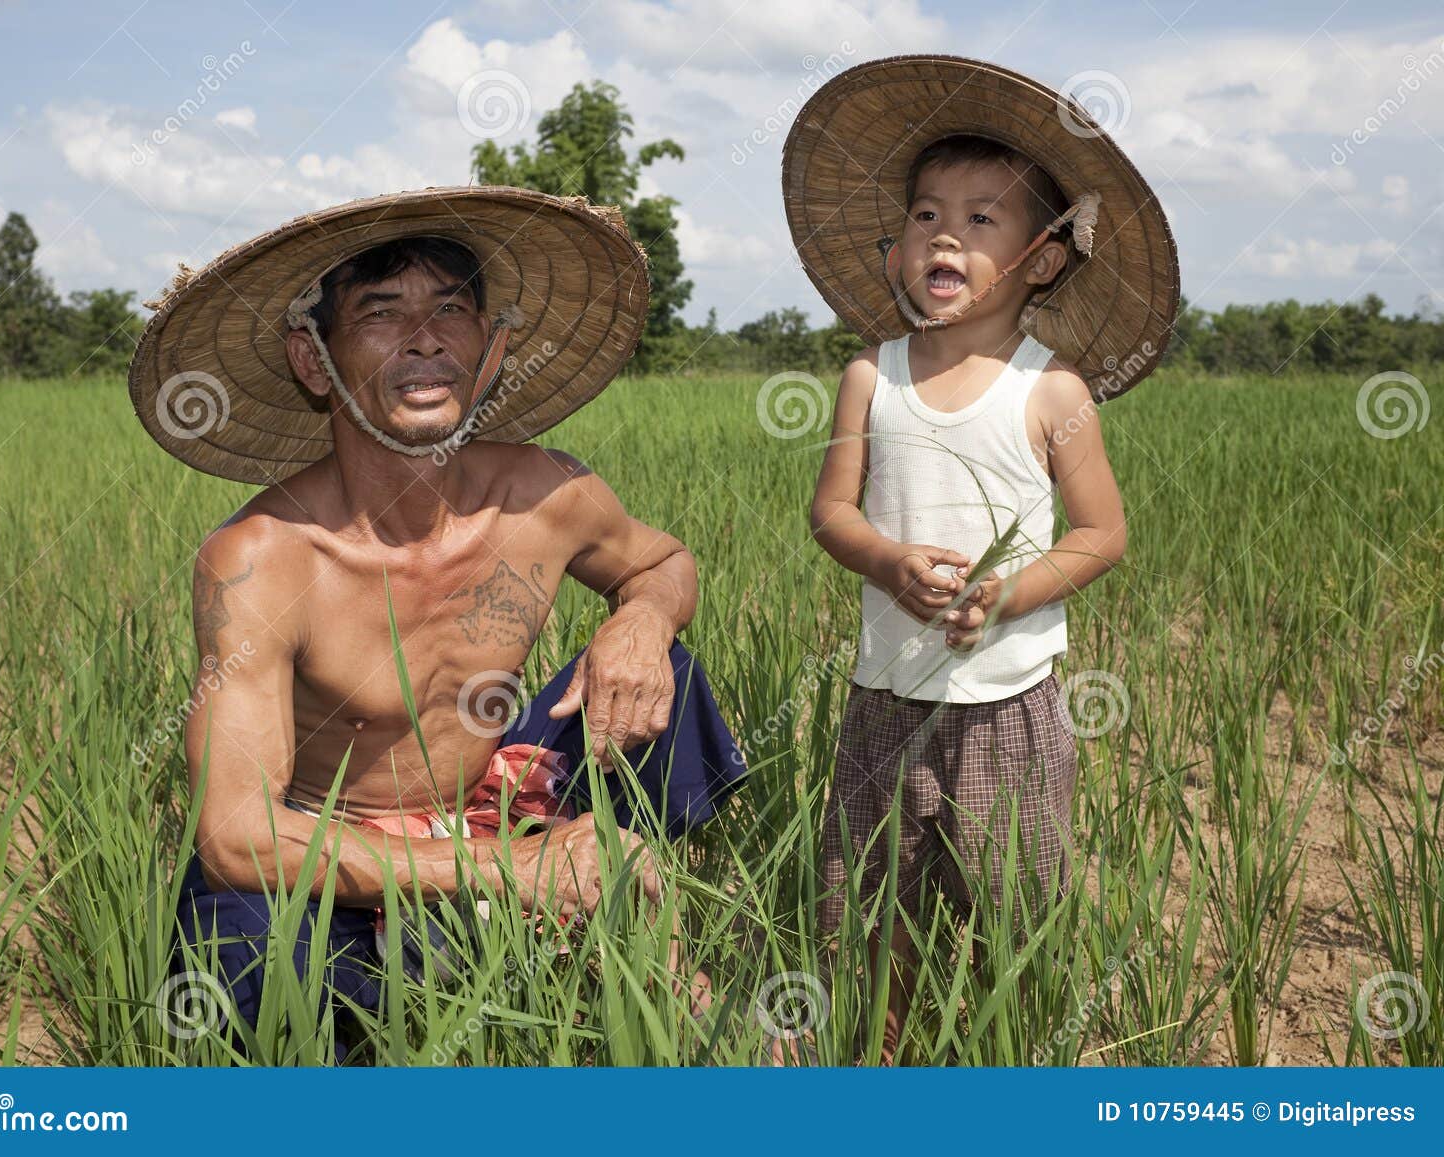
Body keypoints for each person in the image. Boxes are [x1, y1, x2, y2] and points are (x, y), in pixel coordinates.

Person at [126, 187, 745, 1056]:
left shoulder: (545, 493)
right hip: (335, 847)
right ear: (315, 360)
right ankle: (512, 926)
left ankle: (631, 899)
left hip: (495, 797)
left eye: (452, 308)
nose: (426, 337)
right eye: (382, 312)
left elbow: (660, 560)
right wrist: (512, 871)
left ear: (490, 353)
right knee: (254, 964)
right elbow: (236, 833)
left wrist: (640, 621)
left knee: (668, 671)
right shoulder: (263, 558)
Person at [783, 55, 1180, 1057]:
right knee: (866, 904)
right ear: (896, 250)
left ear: (1043, 259)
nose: (944, 234)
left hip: (1009, 703)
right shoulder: (869, 375)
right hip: (884, 695)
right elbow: (832, 513)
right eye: (924, 214)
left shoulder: (1052, 392)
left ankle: (1005, 1056)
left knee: (1012, 903)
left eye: (982, 217)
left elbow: (1101, 533)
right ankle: (878, 1053)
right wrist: (887, 563)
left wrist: (1008, 592)